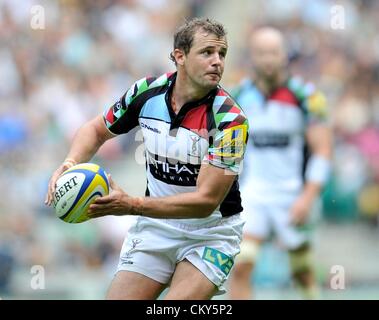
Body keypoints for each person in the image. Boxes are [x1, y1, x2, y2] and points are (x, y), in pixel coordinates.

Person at [45, 17, 249, 300]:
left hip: (211, 234)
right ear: (180, 56)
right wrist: (68, 164)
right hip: (155, 227)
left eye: (222, 54)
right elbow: (96, 130)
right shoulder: (145, 92)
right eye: (207, 52)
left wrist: (132, 204)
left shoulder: (231, 120)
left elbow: (205, 202)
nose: (217, 61)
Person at [228, 27, 332, 300]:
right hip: (253, 193)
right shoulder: (236, 97)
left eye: (273, 52)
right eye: (261, 53)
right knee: (242, 266)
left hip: (292, 194)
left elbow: (323, 150)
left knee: (303, 270)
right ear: (252, 57)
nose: (268, 60)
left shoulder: (307, 97)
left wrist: (307, 198)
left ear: (284, 55)